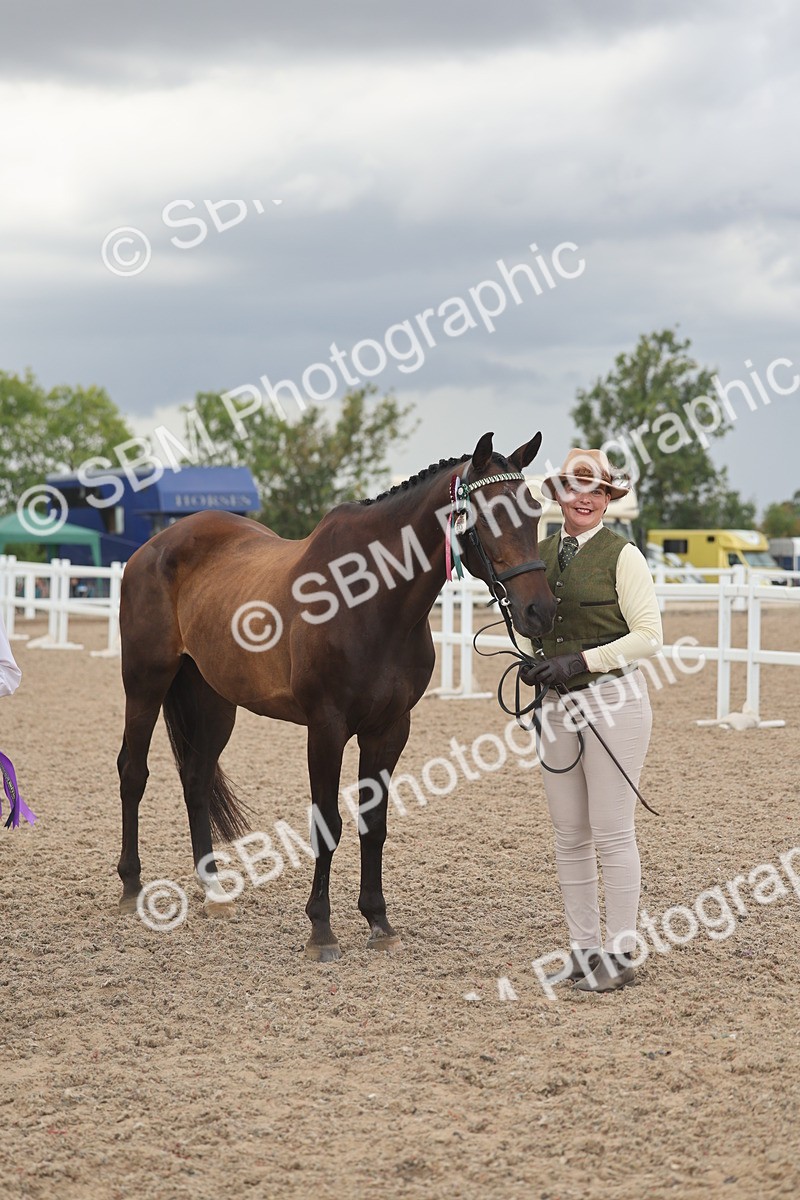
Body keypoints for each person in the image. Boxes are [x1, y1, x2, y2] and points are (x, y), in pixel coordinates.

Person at [521, 448, 662, 992]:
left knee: (611, 830)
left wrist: (580, 661)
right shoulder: (536, 555)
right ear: (558, 495)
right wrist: (531, 657)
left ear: (607, 500)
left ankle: (621, 953)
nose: (584, 497)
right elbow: (525, 621)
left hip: (613, 699)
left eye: (596, 490)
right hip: (557, 704)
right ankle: (582, 952)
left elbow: (648, 635)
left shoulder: (623, 556)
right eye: (575, 487)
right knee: (568, 834)